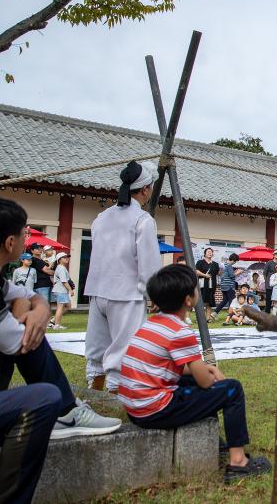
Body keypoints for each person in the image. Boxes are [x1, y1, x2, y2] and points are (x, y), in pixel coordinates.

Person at [0, 197, 121, 502]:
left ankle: (68, 409)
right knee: (42, 398)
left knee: (24, 325)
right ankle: (65, 410)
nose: (28, 240)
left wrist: (36, 308)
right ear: (10, 243)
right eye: (25, 233)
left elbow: (25, 296)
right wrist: (27, 312)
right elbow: (22, 343)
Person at [117, 264, 271, 483]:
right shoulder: (180, 332)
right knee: (232, 390)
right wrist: (213, 373)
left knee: (194, 382)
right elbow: (206, 383)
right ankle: (238, 462)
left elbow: (173, 366)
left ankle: (215, 442)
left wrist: (207, 369)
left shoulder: (151, 324)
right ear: (189, 300)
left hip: (135, 408)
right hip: (154, 410)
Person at [84, 160, 163, 392]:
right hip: (126, 293)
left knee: (97, 350)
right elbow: (148, 263)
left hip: (98, 290)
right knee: (124, 351)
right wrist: (154, 294)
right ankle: (115, 400)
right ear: (145, 189)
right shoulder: (143, 220)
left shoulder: (102, 217)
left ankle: (94, 394)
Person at [49, 252, 73, 330]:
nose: (67, 258)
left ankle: (53, 320)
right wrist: (70, 290)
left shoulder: (61, 267)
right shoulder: (61, 268)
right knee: (60, 307)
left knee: (68, 306)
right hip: (61, 290)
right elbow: (64, 281)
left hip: (61, 290)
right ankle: (57, 325)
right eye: (64, 257)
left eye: (67, 257)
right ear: (59, 260)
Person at [195, 247, 220, 321]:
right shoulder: (200, 262)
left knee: (209, 302)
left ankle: (208, 318)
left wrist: (222, 269)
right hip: (202, 285)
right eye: (208, 252)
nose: (210, 253)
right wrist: (205, 275)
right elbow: (196, 271)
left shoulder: (215, 264)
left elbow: (217, 274)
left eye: (211, 252)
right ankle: (199, 318)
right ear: (205, 254)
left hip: (211, 285)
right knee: (200, 302)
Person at [213, 253, 241, 318]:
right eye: (235, 261)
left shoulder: (223, 265)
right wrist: (238, 272)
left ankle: (214, 313)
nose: (235, 263)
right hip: (229, 286)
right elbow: (231, 276)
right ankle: (231, 316)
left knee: (225, 301)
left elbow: (224, 275)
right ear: (233, 260)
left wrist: (234, 272)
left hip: (223, 285)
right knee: (232, 301)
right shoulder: (229, 265)